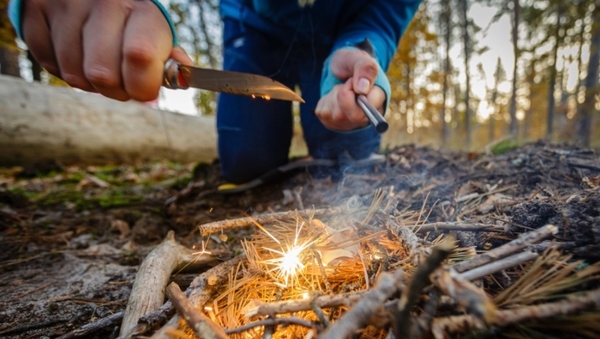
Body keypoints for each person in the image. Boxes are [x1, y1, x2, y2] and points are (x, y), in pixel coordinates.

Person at [8, 0, 422, 186]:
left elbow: (384, 13)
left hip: (339, 39)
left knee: (347, 149)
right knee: (247, 163)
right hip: (254, 31)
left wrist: (362, 54)